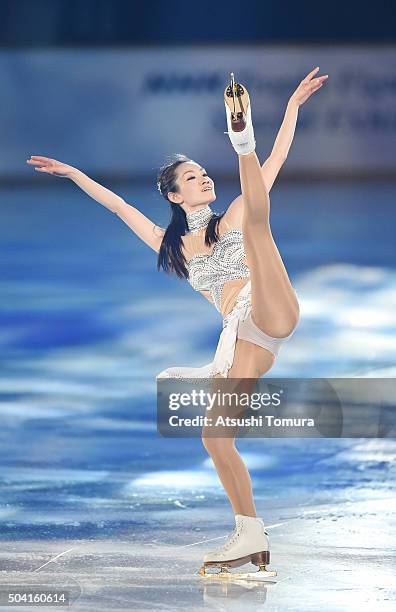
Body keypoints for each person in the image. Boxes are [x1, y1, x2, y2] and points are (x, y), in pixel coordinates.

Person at [27, 67, 328, 578]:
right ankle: (250, 531)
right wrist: (75, 174)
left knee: (256, 219)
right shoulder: (173, 247)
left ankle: (243, 139)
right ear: (173, 195)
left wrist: (293, 107)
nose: (202, 178)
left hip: (270, 303)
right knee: (215, 439)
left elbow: (276, 163)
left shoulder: (229, 215)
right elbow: (120, 207)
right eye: (191, 177)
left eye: (202, 172)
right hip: (245, 337)